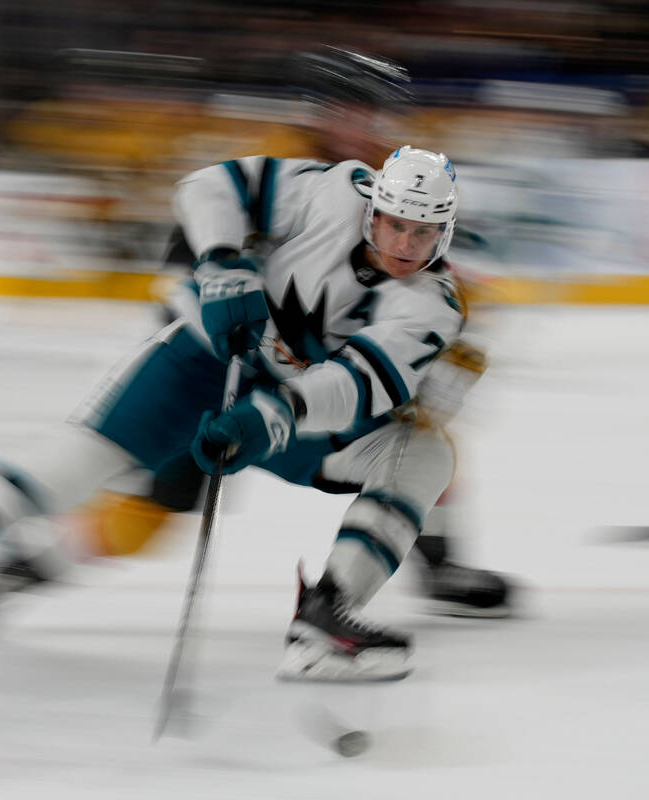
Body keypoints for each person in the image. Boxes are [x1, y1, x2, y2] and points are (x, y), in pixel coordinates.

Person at [0, 146, 477, 681]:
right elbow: (209, 185)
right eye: (396, 223)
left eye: (423, 232)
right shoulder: (337, 188)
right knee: (77, 470)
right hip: (202, 360)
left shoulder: (434, 305)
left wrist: (273, 416)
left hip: (289, 412)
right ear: (374, 209)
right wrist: (220, 261)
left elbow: (360, 384)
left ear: (444, 233)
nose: (404, 242)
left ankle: (326, 618)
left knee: (426, 451)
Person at [47, 47, 512, 623]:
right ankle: (24, 566)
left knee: (419, 438)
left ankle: (436, 563)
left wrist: (454, 332)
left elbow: (423, 275)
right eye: (344, 110)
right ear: (317, 113)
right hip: (225, 370)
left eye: (368, 112)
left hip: (310, 384)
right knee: (145, 516)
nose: (357, 124)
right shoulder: (284, 170)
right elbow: (185, 267)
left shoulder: (390, 182)